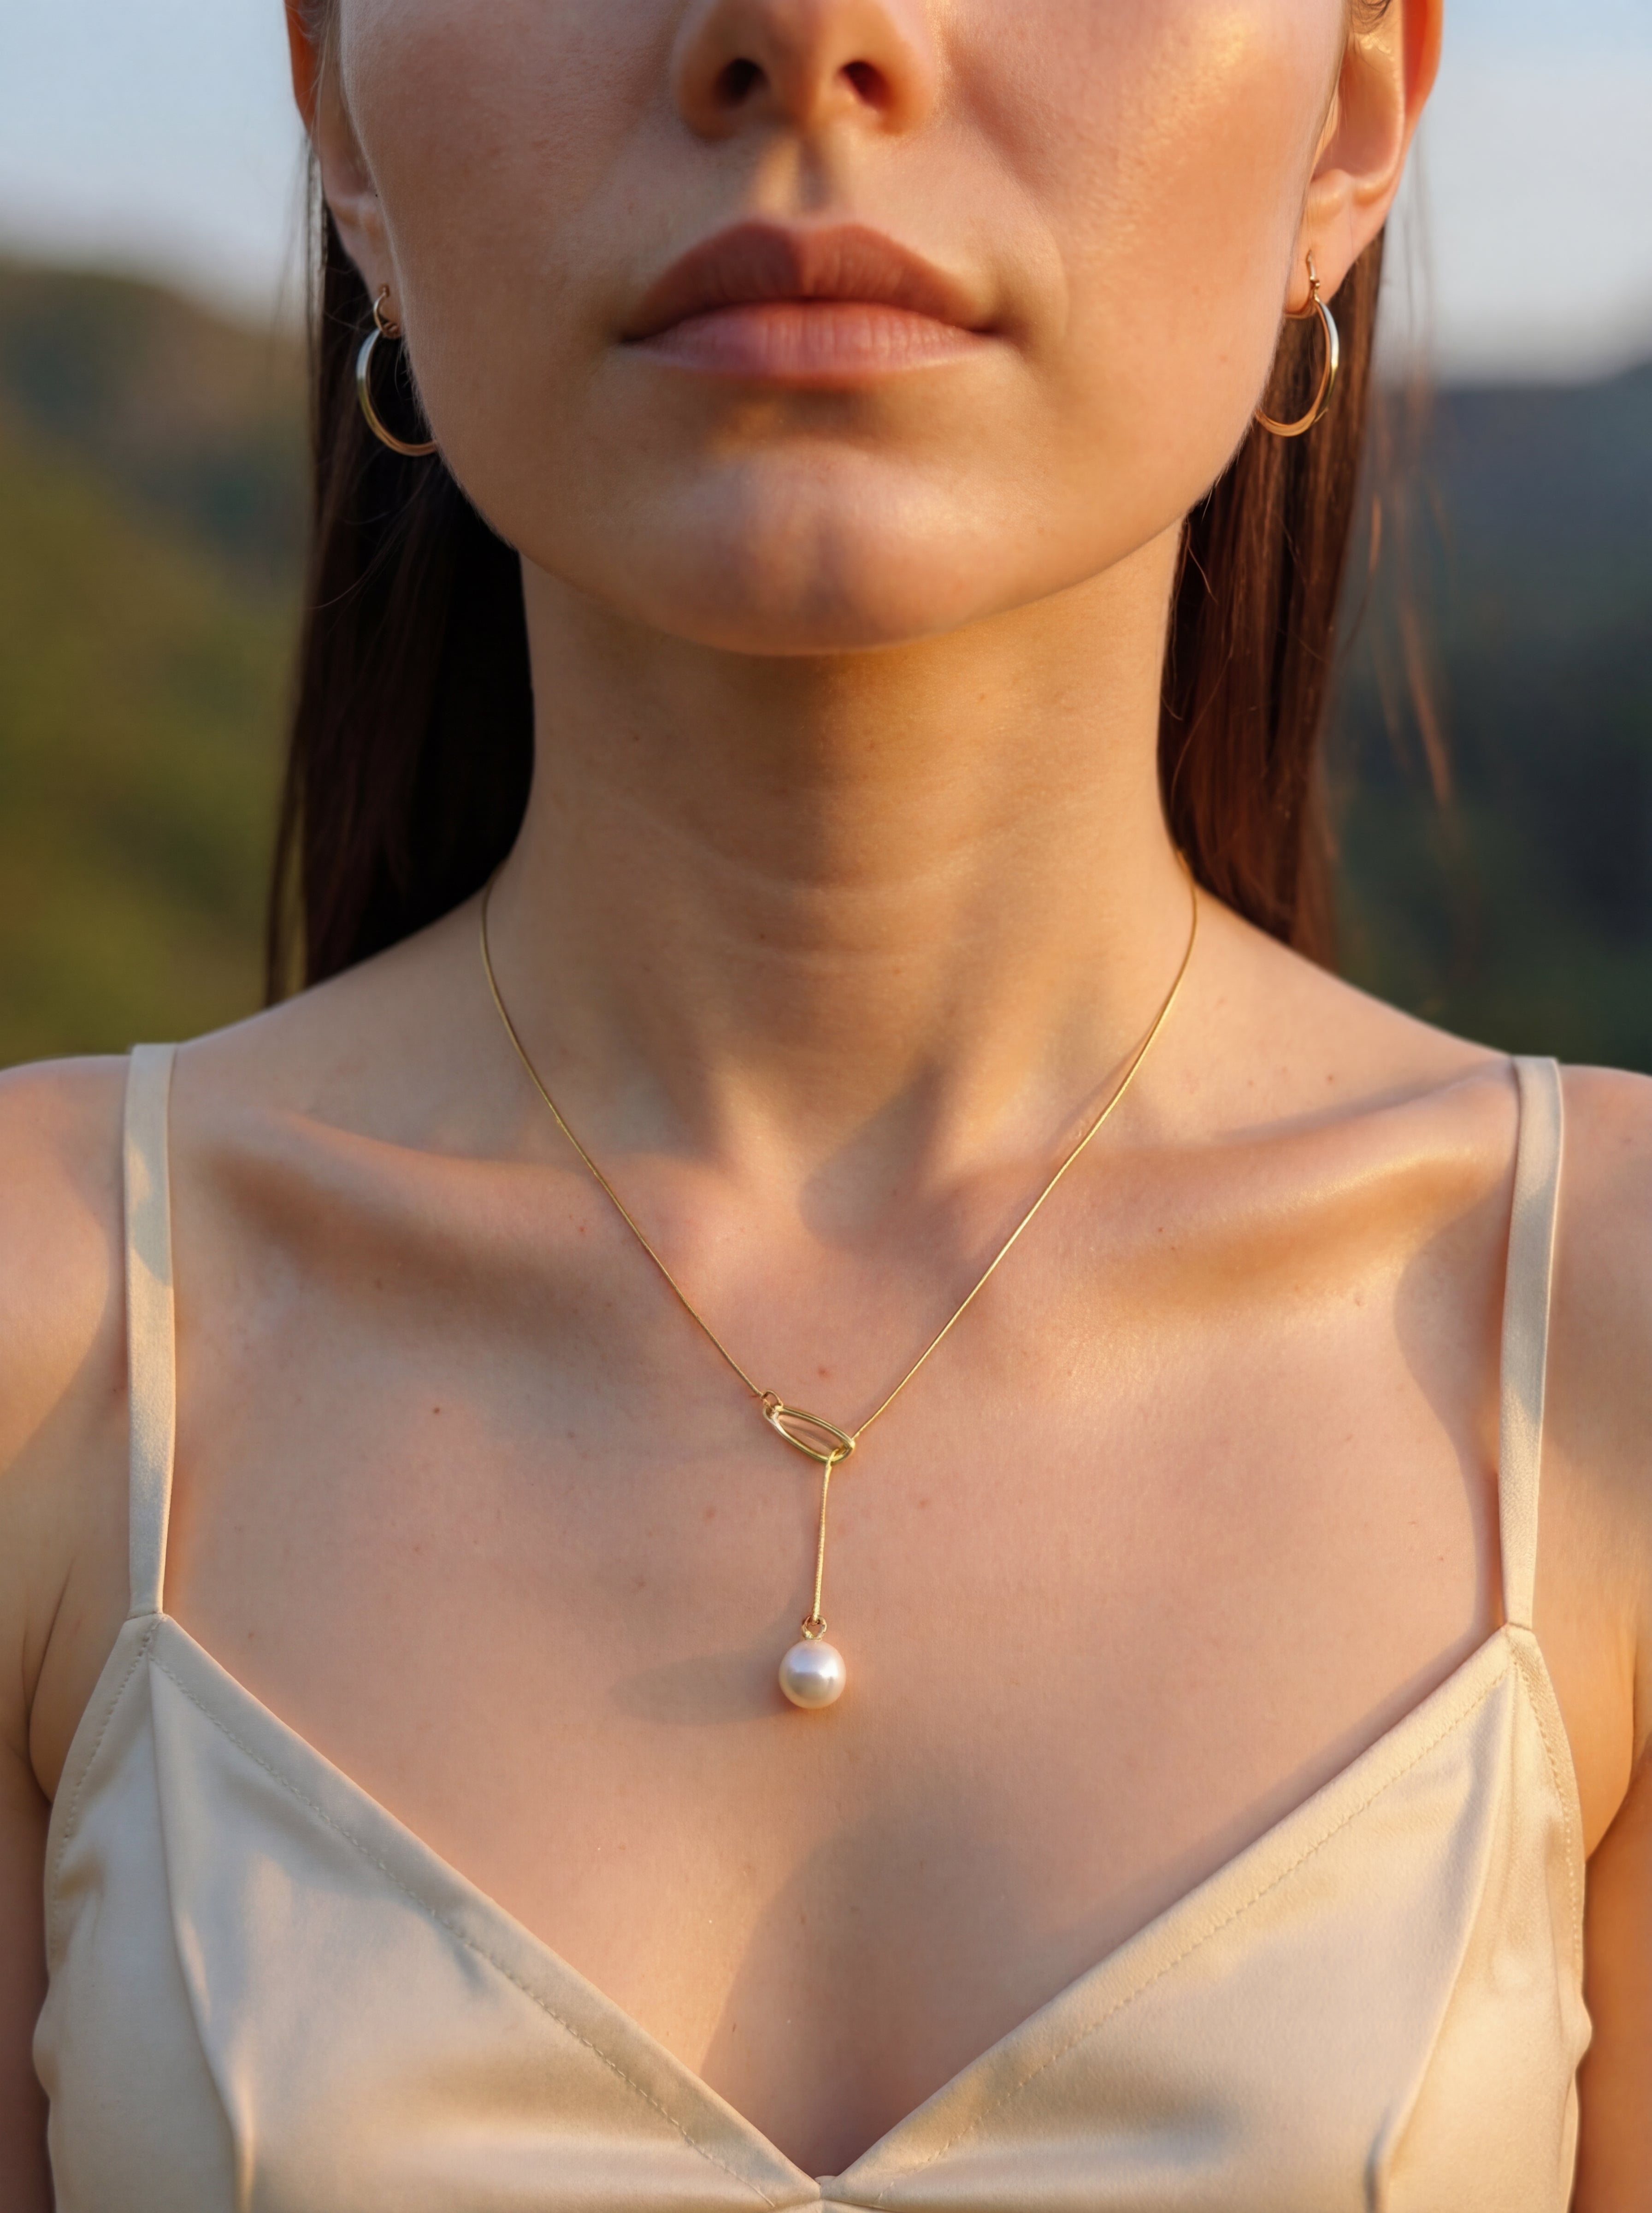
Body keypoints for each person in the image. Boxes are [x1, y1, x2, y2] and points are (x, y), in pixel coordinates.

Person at [1, 0, 1648, 2203]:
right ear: (342, 118)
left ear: (1350, 111)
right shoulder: (46, 1340)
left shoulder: (1605, 1352)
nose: (805, 31)